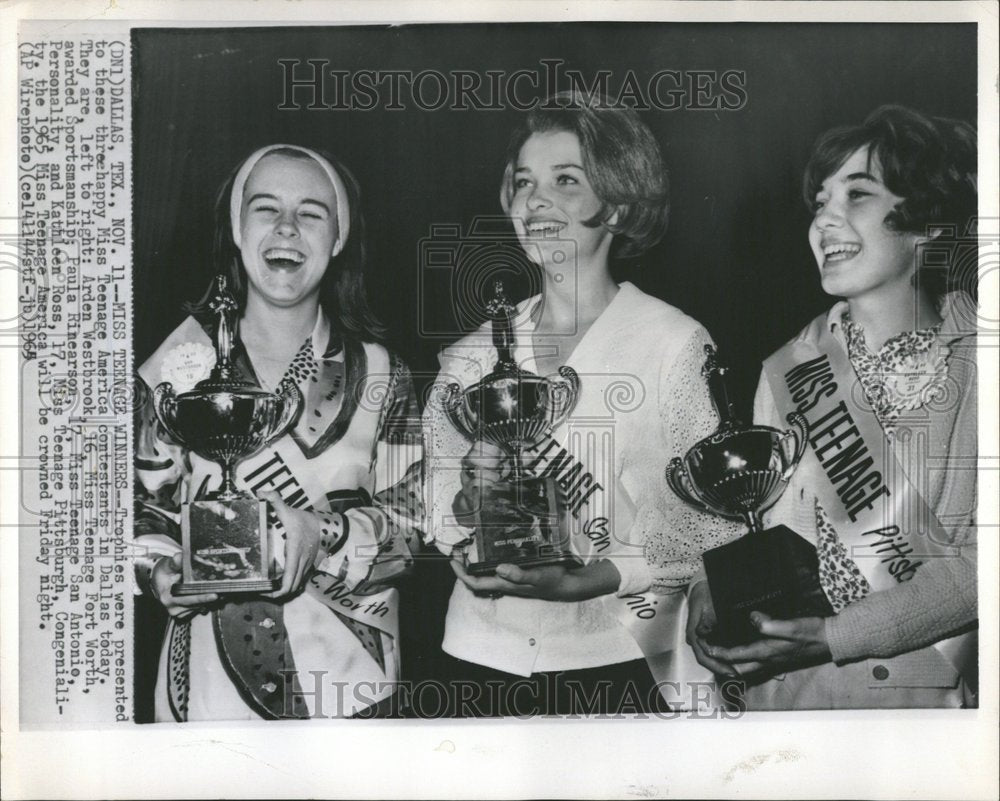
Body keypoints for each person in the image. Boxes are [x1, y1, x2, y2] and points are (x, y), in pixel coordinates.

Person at [424, 93, 739, 716]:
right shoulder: (469, 356)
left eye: (565, 181)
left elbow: (703, 524)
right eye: (523, 182)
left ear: (617, 204)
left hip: (615, 659)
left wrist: (585, 579)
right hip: (477, 656)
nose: (534, 201)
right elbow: (434, 489)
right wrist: (464, 522)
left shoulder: (673, 341)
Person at [687, 105, 979, 709]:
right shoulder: (788, 367)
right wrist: (704, 589)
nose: (825, 221)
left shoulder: (982, 367)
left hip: (914, 714)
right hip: (784, 702)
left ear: (926, 221)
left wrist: (833, 636)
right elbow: (754, 525)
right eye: (820, 203)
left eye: (858, 195)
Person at [133, 144, 423, 720]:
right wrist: (158, 570)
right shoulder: (175, 365)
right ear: (238, 230)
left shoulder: (384, 373)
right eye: (266, 209)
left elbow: (415, 525)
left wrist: (323, 532)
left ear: (338, 238)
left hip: (352, 681)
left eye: (312, 213)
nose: (287, 227)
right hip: (210, 686)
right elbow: (140, 507)